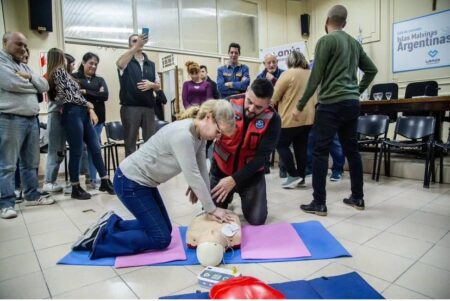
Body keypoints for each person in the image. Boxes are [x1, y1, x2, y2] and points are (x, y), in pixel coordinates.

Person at [71, 99, 236, 259]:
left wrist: (209, 206)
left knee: (165, 228)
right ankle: (98, 241)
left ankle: (111, 224)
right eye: (218, 131)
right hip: (129, 182)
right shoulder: (183, 135)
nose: (218, 138)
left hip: (142, 184)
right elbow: (193, 175)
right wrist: (211, 209)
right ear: (208, 117)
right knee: (160, 238)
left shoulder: (199, 136)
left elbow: (201, 171)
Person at [294, 5, 378, 216]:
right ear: (345, 24)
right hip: (351, 104)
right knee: (352, 150)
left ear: (326, 20)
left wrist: (300, 105)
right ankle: (358, 198)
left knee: (320, 151)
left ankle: (319, 203)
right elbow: (372, 70)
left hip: (330, 104)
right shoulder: (353, 43)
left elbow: (316, 77)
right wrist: (355, 91)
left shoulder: (325, 41)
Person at [47, 48, 115, 200]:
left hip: (82, 113)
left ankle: (104, 180)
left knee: (96, 148)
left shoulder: (66, 75)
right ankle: (75, 187)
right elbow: (71, 96)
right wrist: (88, 103)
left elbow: (78, 94)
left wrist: (87, 105)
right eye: (64, 57)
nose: (67, 61)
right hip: (72, 114)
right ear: (58, 57)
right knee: (77, 150)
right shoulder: (58, 72)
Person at [210, 79, 281, 225]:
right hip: (221, 171)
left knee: (257, 220)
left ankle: (235, 192)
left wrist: (234, 180)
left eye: (259, 107)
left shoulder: (273, 119)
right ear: (247, 90)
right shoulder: (227, 103)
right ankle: (226, 195)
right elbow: (205, 135)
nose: (251, 109)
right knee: (213, 215)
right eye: (249, 101)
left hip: (250, 176)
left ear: (269, 103)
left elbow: (262, 158)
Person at [0, 32, 55, 219]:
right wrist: (33, 83)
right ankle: (6, 204)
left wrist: (29, 78)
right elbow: (12, 84)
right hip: (10, 119)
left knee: (30, 163)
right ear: (5, 42)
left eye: (25, 45)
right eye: (18, 45)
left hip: (32, 119)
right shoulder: (1, 62)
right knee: (7, 165)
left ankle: (32, 195)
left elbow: (45, 85)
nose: (23, 49)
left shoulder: (23, 65)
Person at [272, 50, 317, 189]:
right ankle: (301, 177)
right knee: (300, 148)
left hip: (290, 118)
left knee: (280, 143)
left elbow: (274, 97)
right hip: (309, 118)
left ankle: (292, 174)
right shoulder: (311, 74)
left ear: (290, 61)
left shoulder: (288, 74)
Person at [117, 33, 160, 157]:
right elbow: (119, 64)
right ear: (129, 45)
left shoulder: (150, 64)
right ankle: (131, 172)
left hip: (148, 107)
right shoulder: (126, 61)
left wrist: (152, 85)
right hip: (130, 107)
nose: (137, 42)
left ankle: (148, 171)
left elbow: (158, 85)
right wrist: (136, 47)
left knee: (150, 142)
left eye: (139, 40)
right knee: (130, 143)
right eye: (134, 41)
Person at [73, 52, 109, 188]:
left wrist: (86, 92)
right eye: (90, 63)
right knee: (80, 149)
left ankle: (93, 179)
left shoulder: (100, 79)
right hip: (80, 119)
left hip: (98, 120)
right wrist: (96, 94)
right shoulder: (75, 77)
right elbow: (75, 94)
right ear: (83, 62)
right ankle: (78, 181)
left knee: (95, 149)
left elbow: (105, 95)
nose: (93, 66)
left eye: (95, 64)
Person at [256, 53, 286, 176]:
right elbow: (257, 94)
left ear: (277, 62)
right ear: (264, 64)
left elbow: (286, 91)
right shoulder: (260, 76)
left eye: (274, 62)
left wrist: (273, 80)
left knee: (283, 140)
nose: (272, 64)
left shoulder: (284, 74)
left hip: (282, 112)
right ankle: (265, 166)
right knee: (263, 140)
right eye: (269, 62)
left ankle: (284, 169)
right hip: (265, 112)